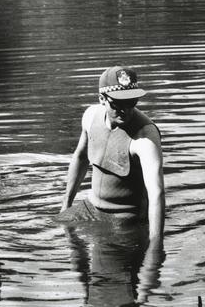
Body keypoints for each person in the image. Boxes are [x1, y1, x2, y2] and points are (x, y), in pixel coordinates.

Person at [57, 66, 165, 272]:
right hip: (90, 208)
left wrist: (155, 247)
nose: (126, 110)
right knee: (59, 237)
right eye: (117, 104)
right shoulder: (90, 117)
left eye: (131, 102)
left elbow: (157, 194)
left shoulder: (145, 136)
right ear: (102, 99)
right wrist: (65, 205)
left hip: (124, 220)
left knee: (111, 278)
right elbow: (80, 157)